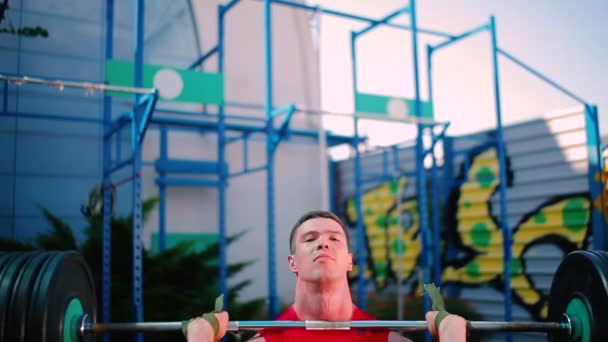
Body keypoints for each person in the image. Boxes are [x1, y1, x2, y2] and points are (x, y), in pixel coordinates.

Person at [187, 210, 467, 341]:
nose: (323, 243)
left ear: (349, 261)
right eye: (310, 239)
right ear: (292, 262)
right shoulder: (269, 341)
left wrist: (453, 335)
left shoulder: (385, 340)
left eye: (334, 238)